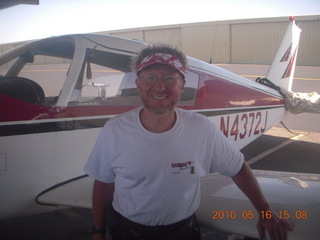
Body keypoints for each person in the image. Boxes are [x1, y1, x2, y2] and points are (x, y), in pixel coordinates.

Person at [84, 45, 293, 240]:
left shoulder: (202, 128)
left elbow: (238, 168)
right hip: (127, 231)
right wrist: (98, 231)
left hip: (181, 232)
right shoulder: (115, 130)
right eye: (150, 77)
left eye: (169, 78)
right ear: (138, 83)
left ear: (182, 85)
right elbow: (103, 185)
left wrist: (266, 212)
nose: (159, 86)